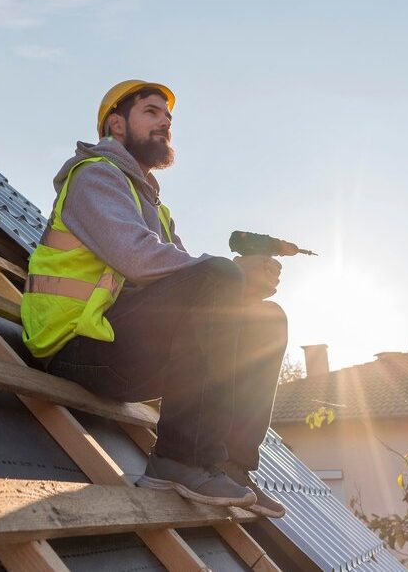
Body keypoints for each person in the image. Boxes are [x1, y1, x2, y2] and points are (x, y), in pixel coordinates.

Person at [21, 80, 287, 517]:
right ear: (116, 125)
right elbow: (139, 260)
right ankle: (177, 459)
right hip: (72, 345)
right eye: (151, 111)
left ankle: (231, 465)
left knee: (267, 319)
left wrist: (244, 288)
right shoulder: (94, 175)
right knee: (220, 273)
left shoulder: (157, 209)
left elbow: (189, 285)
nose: (165, 121)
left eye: (169, 117)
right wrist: (230, 275)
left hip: (119, 347)